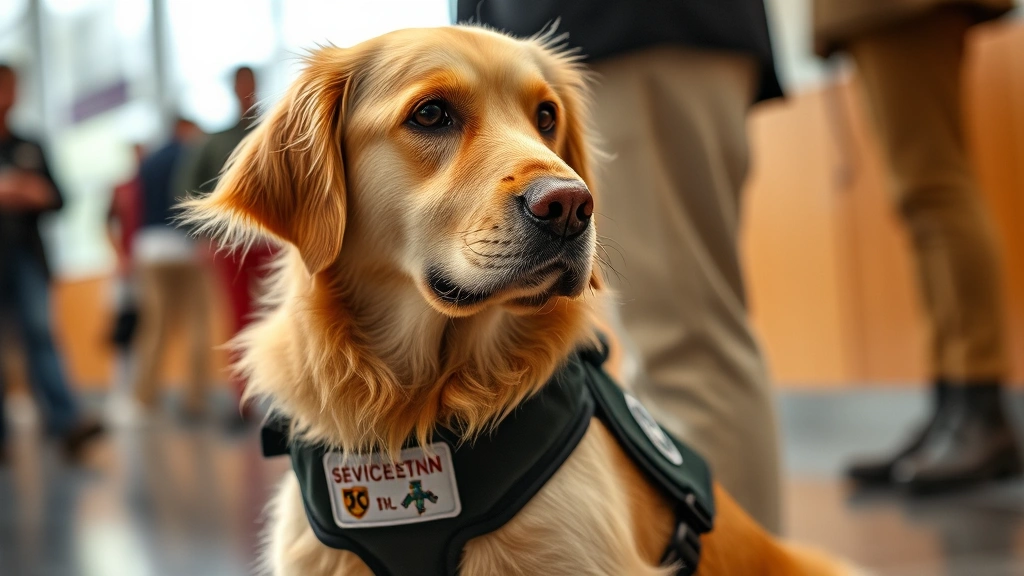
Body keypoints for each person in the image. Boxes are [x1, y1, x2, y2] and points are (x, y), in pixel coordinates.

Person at [460, 0, 785, 531]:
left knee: (684, 344)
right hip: (625, 33)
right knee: (679, 342)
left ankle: (734, 562)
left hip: (629, 28)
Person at [814, 0, 1022, 492]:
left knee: (935, 191)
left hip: (898, 8)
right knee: (923, 199)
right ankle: (952, 407)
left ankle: (979, 407)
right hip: (883, 13)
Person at [0, 63, 104, 462]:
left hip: (27, 255)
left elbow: (61, 198)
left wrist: (36, 194)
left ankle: (65, 424)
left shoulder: (30, 144)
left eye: (13, 87)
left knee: (42, 334)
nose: (10, 96)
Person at [175, 66, 273, 422]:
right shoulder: (214, 142)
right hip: (230, 244)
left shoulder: (275, 129)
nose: (246, 90)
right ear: (233, 88)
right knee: (239, 317)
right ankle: (243, 400)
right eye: (241, 84)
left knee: (285, 311)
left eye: (251, 83)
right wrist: (201, 237)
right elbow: (188, 188)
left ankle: (288, 395)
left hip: (275, 239)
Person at [131, 117, 211, 419]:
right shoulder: (193, 154)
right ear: (186, 128)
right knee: (196, 325)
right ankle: (195, 399)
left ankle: (145, 398)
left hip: (151, 247)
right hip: (187, 247)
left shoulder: (149, 160)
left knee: (154, 326)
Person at [105, 143, 145, 425]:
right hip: (126, 267)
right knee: (124, 333)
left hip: (146, 265)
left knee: (146, 332)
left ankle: (139, 395)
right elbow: (107, 223)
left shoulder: (148, 185)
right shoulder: (121, 188)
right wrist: (120, 256)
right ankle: (119, 394)